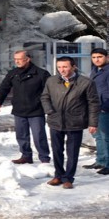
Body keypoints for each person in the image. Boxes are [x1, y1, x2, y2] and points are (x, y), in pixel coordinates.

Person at [41, 56, 99, 189]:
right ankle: (58, 175)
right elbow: (45, 97)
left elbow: (93, 103)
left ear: (73, 67)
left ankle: (68, 178)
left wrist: (93, 123)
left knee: (72, 152)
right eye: (59, 67)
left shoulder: (85, 82)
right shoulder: (51, 81)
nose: (62, 70)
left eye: (65, 67)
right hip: (55, 121)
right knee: (57, 150)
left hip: (75, 121)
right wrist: (49, 110)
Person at [0, 50, 51, 164]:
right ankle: (26, 156)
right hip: (19, 110)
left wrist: (49, 107)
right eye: (15, 59)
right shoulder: (13, 73)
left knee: (39, 136)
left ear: (28, 59)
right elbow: (4, 88)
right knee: (21, 136)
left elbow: (50, 91)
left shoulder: (41, 73)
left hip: (36, 110)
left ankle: (44, 158)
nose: (17, 62)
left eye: (19, 59)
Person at [84, 48, 109, 175]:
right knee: (98, 136)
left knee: (106, 137)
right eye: (94, 57)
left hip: (105, 108)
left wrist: (105, 106)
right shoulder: (94, 71)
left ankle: (108, 164)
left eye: (99, 57)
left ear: (107, 57)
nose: (96, 59)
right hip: (94, 108)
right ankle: (101, 160)